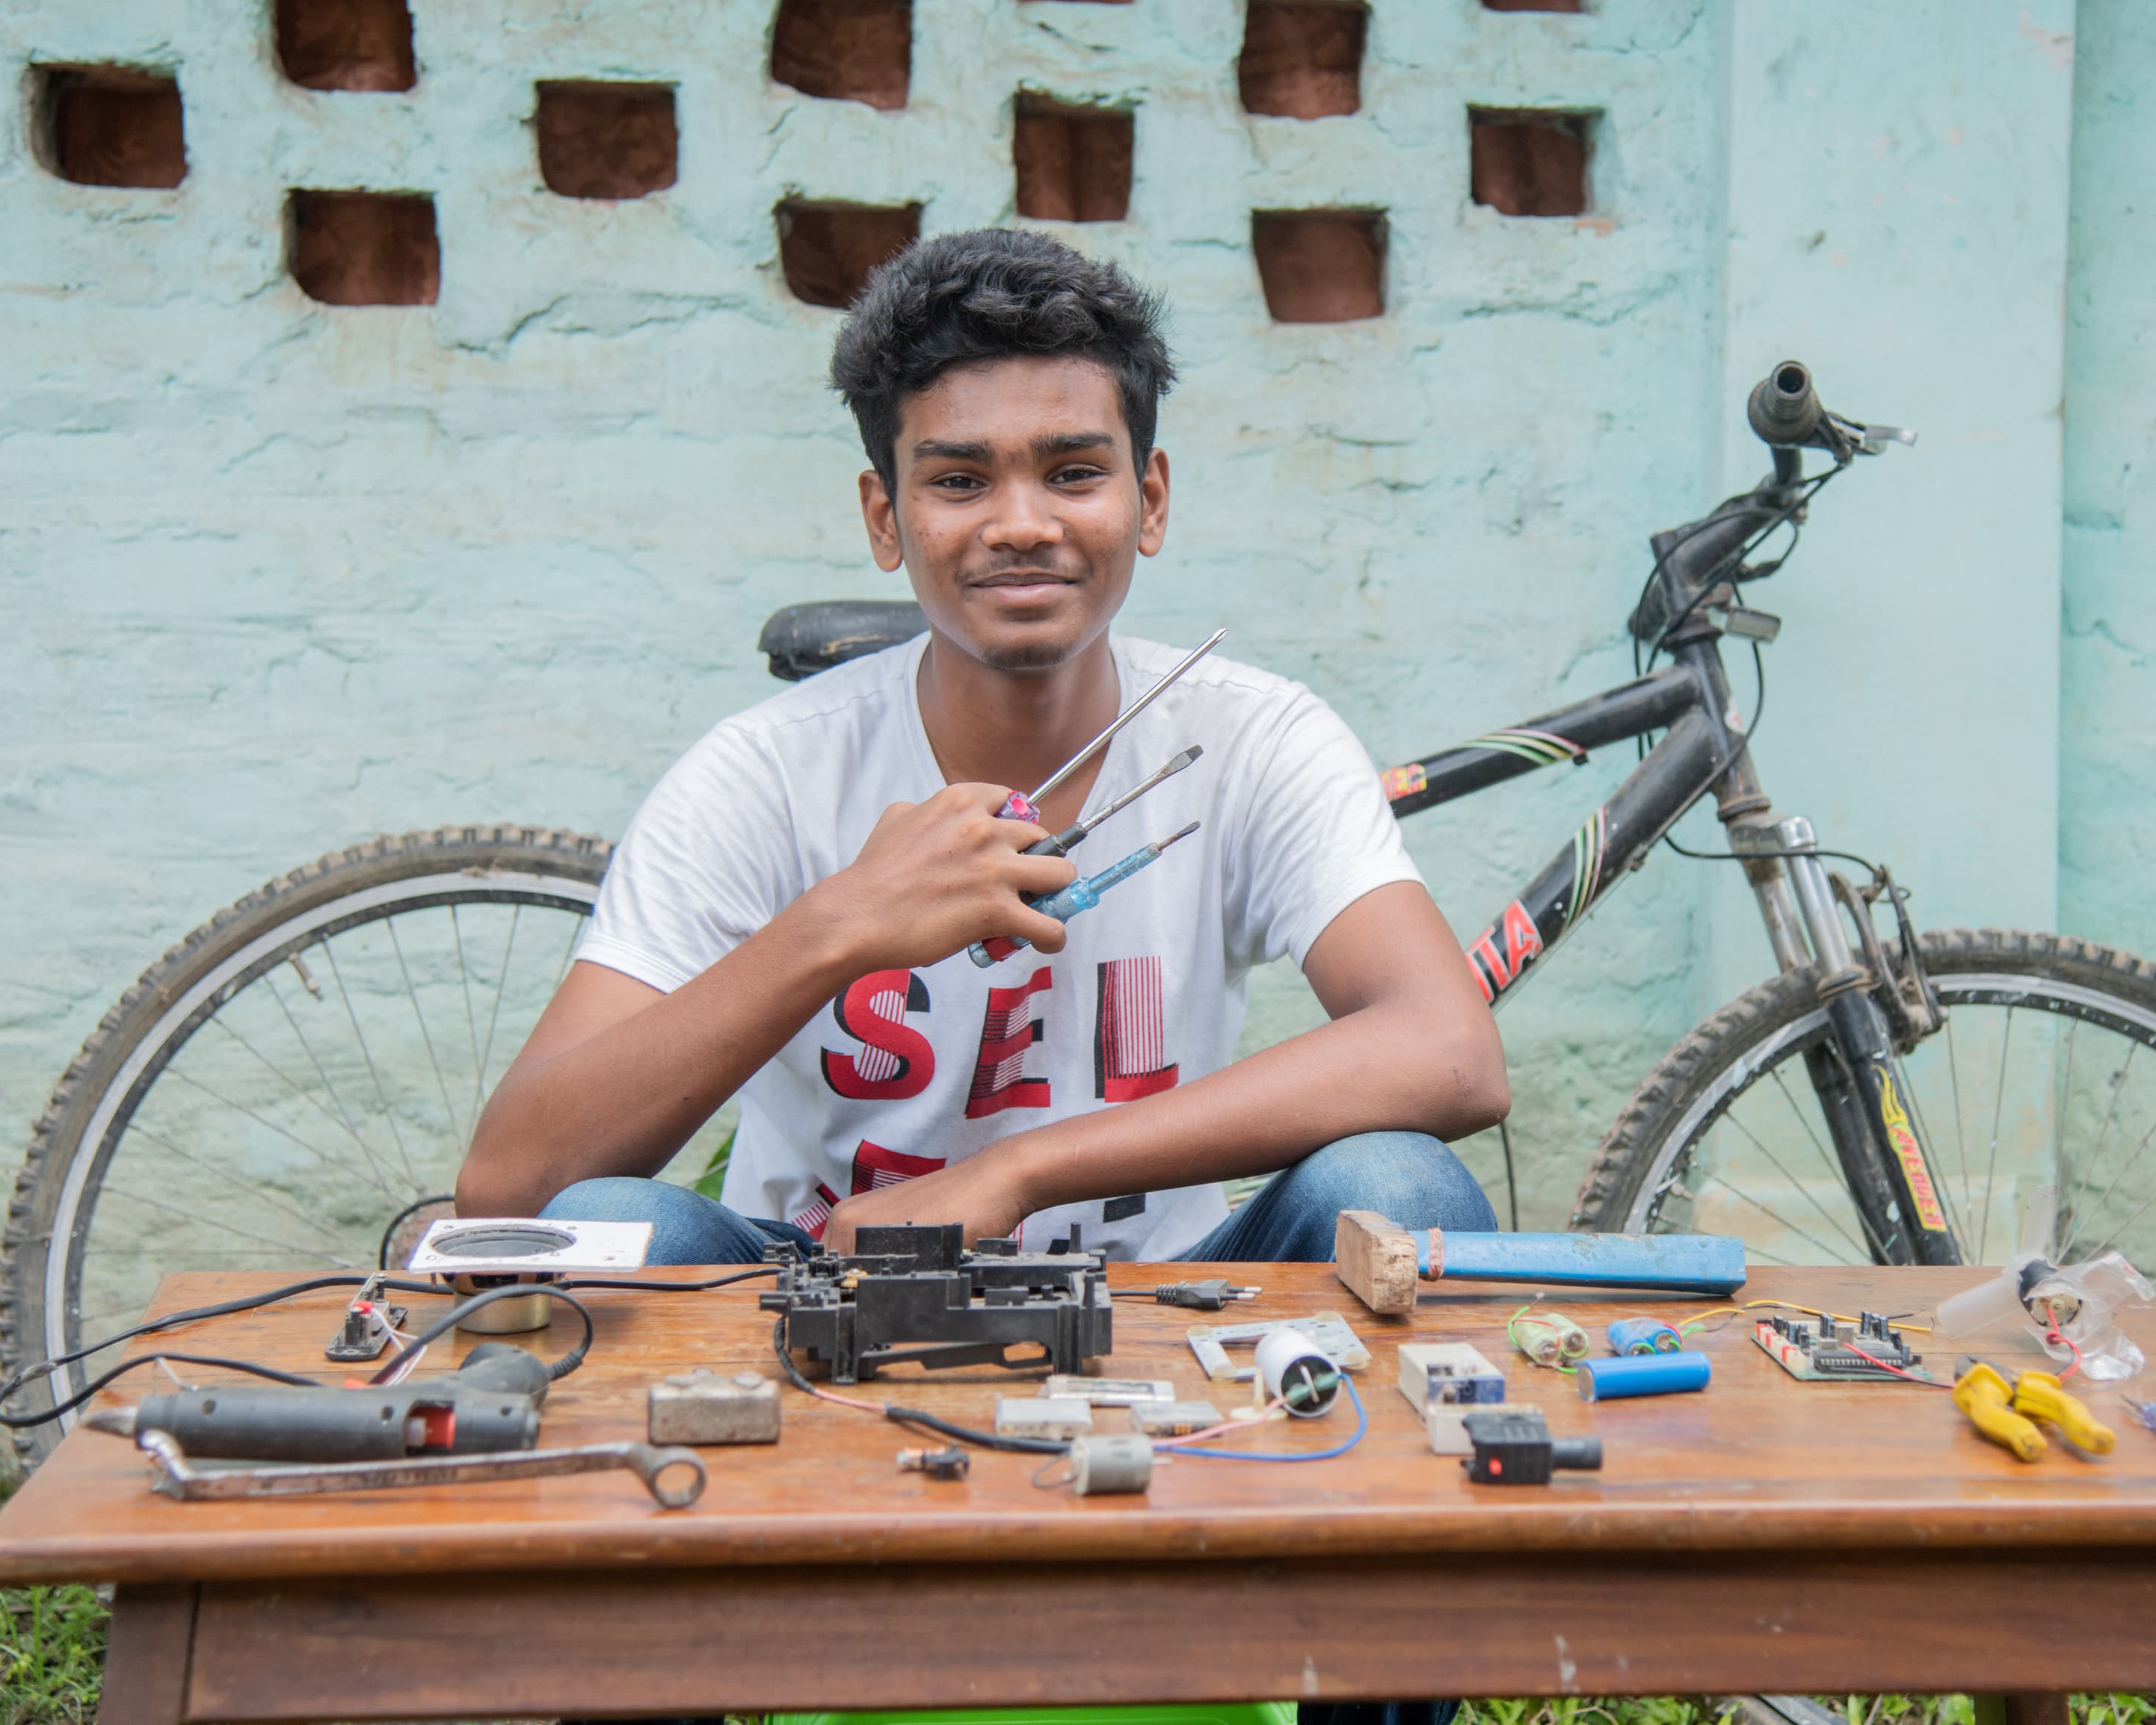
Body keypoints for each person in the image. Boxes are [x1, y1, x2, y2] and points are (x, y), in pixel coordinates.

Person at [456, 228, 1509, 1271]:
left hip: (1161, 1306)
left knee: (1396, 1188)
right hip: (821, 1291)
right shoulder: (765, 774)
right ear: (886, 517)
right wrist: (842, 923)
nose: (1020, 523)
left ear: (1149, 502)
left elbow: (1450, 1053)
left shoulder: (1253, 737)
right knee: (612, 1225)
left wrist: (1015, 1173)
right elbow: (512, 1186)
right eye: (959, 481)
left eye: (1073, 472)